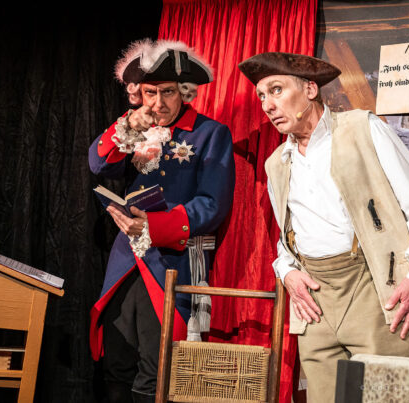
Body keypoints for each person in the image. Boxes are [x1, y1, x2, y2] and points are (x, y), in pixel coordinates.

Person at [238, 52, 409, 402]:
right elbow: (287, 236)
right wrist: (287, 272)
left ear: (310, 90)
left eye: (276, 90)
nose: (267, 105)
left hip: (371, 286)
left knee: (386, 394)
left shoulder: (363, 129)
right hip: (315, 299)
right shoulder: (278, 163)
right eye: (261, 96)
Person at [88, 39, 235, 403]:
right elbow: (98, 163)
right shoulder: (135, 127)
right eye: (150, 93)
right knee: (116, 364)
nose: (157, 103)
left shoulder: (210, 133)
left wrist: (156, 228)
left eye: (167, 92)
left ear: (184, 91)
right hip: (126, 261)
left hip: (172, 261)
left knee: (156, 370)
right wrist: (127, 124)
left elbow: (213, 205)